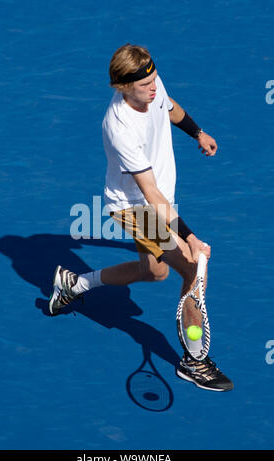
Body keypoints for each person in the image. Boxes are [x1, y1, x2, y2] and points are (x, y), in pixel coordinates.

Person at [49, 44, 233, 392]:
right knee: (192, 268)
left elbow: (170, 107)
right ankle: (194, 361)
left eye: (154, 78)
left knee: (154, 272)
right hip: (137, 208)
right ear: (122, 87)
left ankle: (75, 284)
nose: (153, 87)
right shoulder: (120, 128)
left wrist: (198, 132)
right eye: (145, 84)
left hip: (159, 199)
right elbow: (151, 196)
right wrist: (188, 236)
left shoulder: (150, 84)